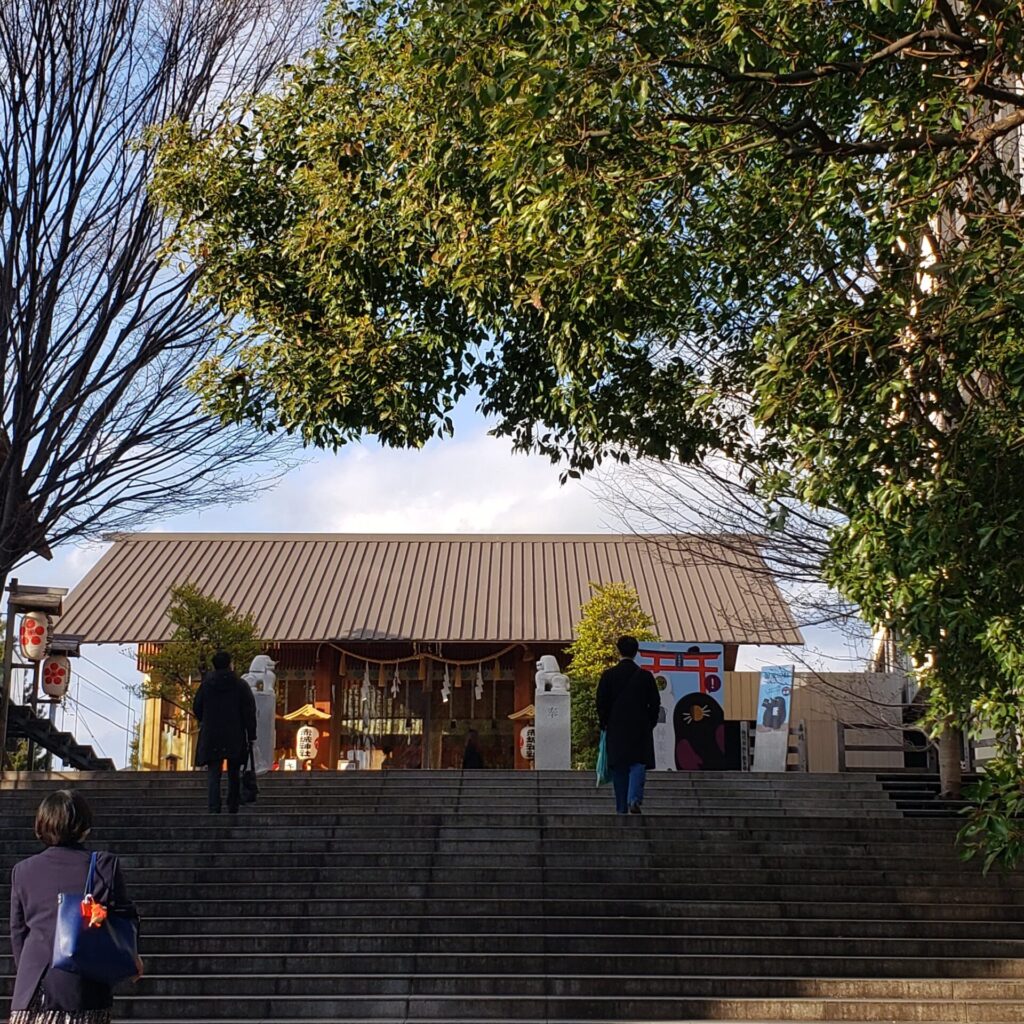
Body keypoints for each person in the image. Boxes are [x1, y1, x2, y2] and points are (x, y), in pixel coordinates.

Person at [9, 790, 142, 1024]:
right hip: (84, 988)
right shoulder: (104, 866)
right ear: (84, 826)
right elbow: (124, 920)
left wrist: (28, 973)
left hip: (31, 990)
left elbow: (18, 932)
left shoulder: (23, 870)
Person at [596, 636, 660, 814]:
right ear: (636, 651)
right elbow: (655, 703)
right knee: (638, 763)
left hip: (616, 728)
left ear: (618, 651)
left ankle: (621, 807)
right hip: (640, 727)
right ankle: (634, 798)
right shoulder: (645, 676)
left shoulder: (608, 676)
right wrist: (650, 723)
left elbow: (601, 702)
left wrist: (605, 722)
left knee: (619, 767)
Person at [192, 650, 257, 814]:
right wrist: (251, 733)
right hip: (235, 732)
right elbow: (249, 710)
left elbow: (197, 706)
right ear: (230, 664)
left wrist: (204, 721)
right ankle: (232, 804)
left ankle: (214, 806)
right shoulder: (240, 685)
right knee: (234, 771)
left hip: (211, 733)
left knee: (214, 772)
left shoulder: (206, 684)